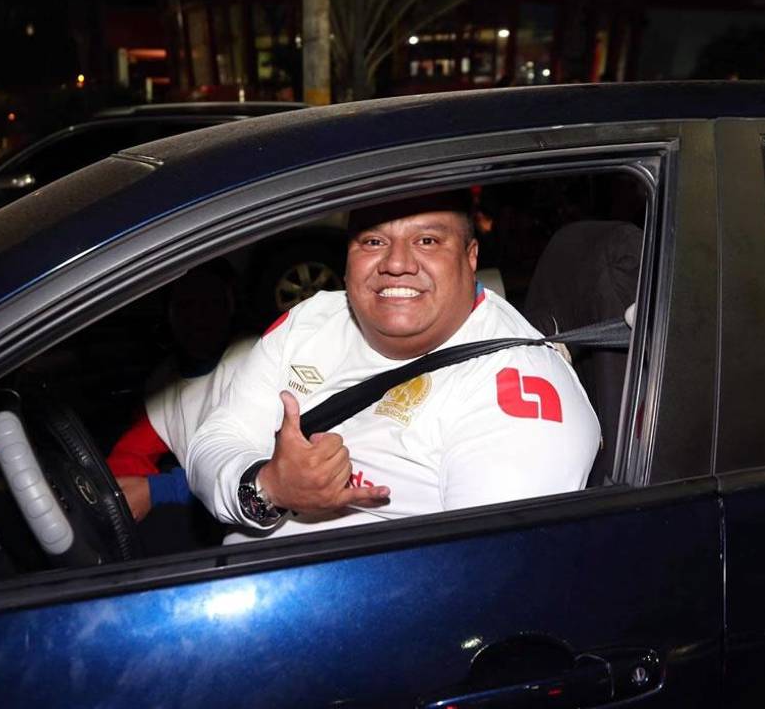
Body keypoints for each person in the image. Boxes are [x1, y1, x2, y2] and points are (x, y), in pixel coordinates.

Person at [178, 190, 601, 543]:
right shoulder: (312, 322)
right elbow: (215, 440)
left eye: (428, 241)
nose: (397, 263)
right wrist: (270, 486)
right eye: (373, 242)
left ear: (471, 256)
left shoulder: (520, 399)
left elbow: (475, 587)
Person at [106, 259, 255, 521]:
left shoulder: (255, 357)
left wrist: (163, 489)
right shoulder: (163, 381)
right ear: (170, 315)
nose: (198, 317)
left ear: (229, 306)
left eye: (210, 304)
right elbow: (132, 454)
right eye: (186, 306)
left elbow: (266, 466)